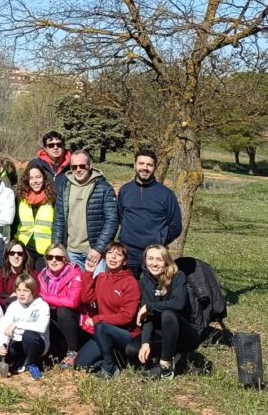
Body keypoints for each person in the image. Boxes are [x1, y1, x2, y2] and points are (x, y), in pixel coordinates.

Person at [127, 244, 198, 380]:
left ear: (166, 261)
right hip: (159, 333)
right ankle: (171, 355)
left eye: (159, 259)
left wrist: (150, 306)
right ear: (145, 260)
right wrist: (146, 342)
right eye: (150, 259)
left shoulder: (178, 276)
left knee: (168, 314)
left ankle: (165, 366)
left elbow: (178, 303)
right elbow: (147, 317)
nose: (154, 263)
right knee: (132, 350)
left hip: (182, 332)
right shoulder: (143, 283)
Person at [74, 242, 140, 378]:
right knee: (80, 364)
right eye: (110, 253)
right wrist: (88, 273)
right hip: (103, 333)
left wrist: (98, 319)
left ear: (124, 261)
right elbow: (87, 299)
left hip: (125, 334)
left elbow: (126, 317)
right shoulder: (101, 277)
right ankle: (113, 359)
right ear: (105, 257)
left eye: (118, 255)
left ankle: (110, 368)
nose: (113, 257)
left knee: (101, 326)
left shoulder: (130, 282)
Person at [116, 150, 183, 277]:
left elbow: (175, 226)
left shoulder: (166, 194)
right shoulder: (125, 190)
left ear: (154, 167)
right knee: (128, 287)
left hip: (154, 255)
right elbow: (121, 216)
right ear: (134, 165)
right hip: (128, 252)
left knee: (152, 288)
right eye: (141, 163)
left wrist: (160, 240)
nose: (145, 168)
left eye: (149, 165)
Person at [52, 150, 118, 275]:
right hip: (71, 252)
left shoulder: (104, 188)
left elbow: (112, 221)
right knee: (74, 286)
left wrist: (98, 249)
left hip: (94, 252)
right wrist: (57, 249)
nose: (78, 170)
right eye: (74, 167)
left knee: (97, 285)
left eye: (82, 166)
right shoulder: (65, 187)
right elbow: (59, 221)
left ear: (89, 166)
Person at [0, 272, 50, 381]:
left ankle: (33, 365)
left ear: (33, 291)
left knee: (29, 335)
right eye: (19, 290)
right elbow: (4, 327)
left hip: (36, 343)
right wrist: (3, 344)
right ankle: (19, 361)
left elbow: (42, 327)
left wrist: (16, 325)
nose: (21, 294)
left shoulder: (42, 306)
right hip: (16, 342)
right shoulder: (13, 306)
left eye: (25, 290)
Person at [36, 244, 82, 366]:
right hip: (52, 316)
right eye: (50, 257)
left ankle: (72, 352)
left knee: (63, 310)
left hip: (72, 319)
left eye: (58, 258)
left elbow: (72, 302)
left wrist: (44, 298)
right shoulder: (42, 275)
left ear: (65, 259)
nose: (54, 260)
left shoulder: (75, 274)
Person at [15, 164, 57, 271]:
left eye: (38, 177)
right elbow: (15, 223)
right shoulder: (21, 198)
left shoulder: (52, 199)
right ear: (27, 180)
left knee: (41, 279)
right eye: (31, 178)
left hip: (45, 250)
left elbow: (58, 225)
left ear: (44, 179)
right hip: (25, 248)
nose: (35, 181)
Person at [0, 241, 30, 308]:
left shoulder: (31, 275)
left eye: (20, 254)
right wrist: (9, 300)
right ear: (7, 256)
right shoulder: (0, 275)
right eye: (12, 253)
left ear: (24, 256)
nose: (16, 256)